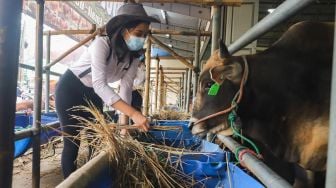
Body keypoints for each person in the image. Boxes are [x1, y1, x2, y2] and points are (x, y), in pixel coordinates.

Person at [55, 3, 159, 178]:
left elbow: (125, 88)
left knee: (97, 138)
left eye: (145, 35)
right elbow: (100, 85)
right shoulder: (101, 45)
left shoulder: (132, 58)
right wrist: (134, 114)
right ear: (123, 30)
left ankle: (91, 179)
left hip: (92, 94)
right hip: (70, 89)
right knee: (73, 141)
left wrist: (124, 126)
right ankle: (70, 181)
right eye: (138, 34)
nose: (142, 39)